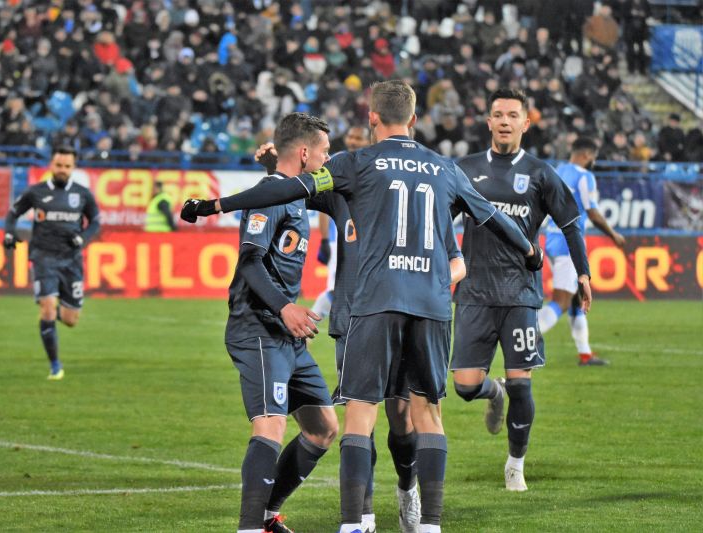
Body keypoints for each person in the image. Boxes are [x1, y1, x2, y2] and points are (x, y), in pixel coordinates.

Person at [182, 80, 540, 533]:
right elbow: (492, 217)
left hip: (374, 304)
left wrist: (216, 205)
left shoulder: (357, 165)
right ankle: (418, 523)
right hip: (424, 307)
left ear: (373, 118)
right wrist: (530, 251)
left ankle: (357, 520)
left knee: (362, 413)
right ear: (414, 119)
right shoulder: (443, 169)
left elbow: (283, 189)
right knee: (425, 414)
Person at [255, 129, 464, 532]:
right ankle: (363, 516)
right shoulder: (339, 189)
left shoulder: (413, 198)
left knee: (402, 420)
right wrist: (273, 166)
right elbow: (293, 187)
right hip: (354, 314)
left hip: (408, 312)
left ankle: (407, 488)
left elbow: (457, 260)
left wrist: (435, 280)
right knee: (359, 415)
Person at [449, 88, 592, 492]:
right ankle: (491, 392)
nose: (505, 121)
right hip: (474, 292)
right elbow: (440, 217)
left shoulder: (541, 173)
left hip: (520, 293)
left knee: (521, 383)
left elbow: (571, 225)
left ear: (526, 123)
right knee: (464, 387)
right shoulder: (465, 169)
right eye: (498, 114)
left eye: (513, 115)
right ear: (488, 121)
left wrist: (583, 273)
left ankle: (515, 464)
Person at [222, 113, 339, 533]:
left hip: (286, 334)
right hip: (258, 326)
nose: (328, 159)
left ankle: (267, 514)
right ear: (305, 153)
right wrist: (285, 307)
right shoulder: (268, 196)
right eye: (324, 151)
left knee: (323, 428)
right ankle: (249, 527)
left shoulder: (293, 192)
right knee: (271, 423)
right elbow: (250, 261)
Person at [3, 146, 100, 380]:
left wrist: (83, 238)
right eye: (58, 165)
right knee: (47, 307)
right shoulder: (36, 192)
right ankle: (55, 365)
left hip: (71, 260)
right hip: (43, 257)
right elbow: (13, 213)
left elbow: (96, 221)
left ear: (73, 167)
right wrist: (9, 233)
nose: (62, 170)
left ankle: (54, 309)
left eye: (67, 166)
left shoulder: (83, 194)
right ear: (51, 165)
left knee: (70, 320)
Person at [539, 137, 624, 366]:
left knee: (577, 300)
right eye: (593, 157)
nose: (593, 161)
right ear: (587, 155)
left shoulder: (557, 171)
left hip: (552, 239)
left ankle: (585, 354)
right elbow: (593, 213)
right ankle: (526, 334)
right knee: (562, 301)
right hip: (569, 243)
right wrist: (613, 234)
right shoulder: (585, 176)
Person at [310, 125, 370, 323]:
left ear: (368, 141)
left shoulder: (373, 163)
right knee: (338, 289)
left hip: (368, 238)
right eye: (351, 136)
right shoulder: (335, 162)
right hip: (340, 239)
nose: (353, 141)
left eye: (358, 138)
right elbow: (323, 203)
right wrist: (325, 240)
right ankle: (306, 329)